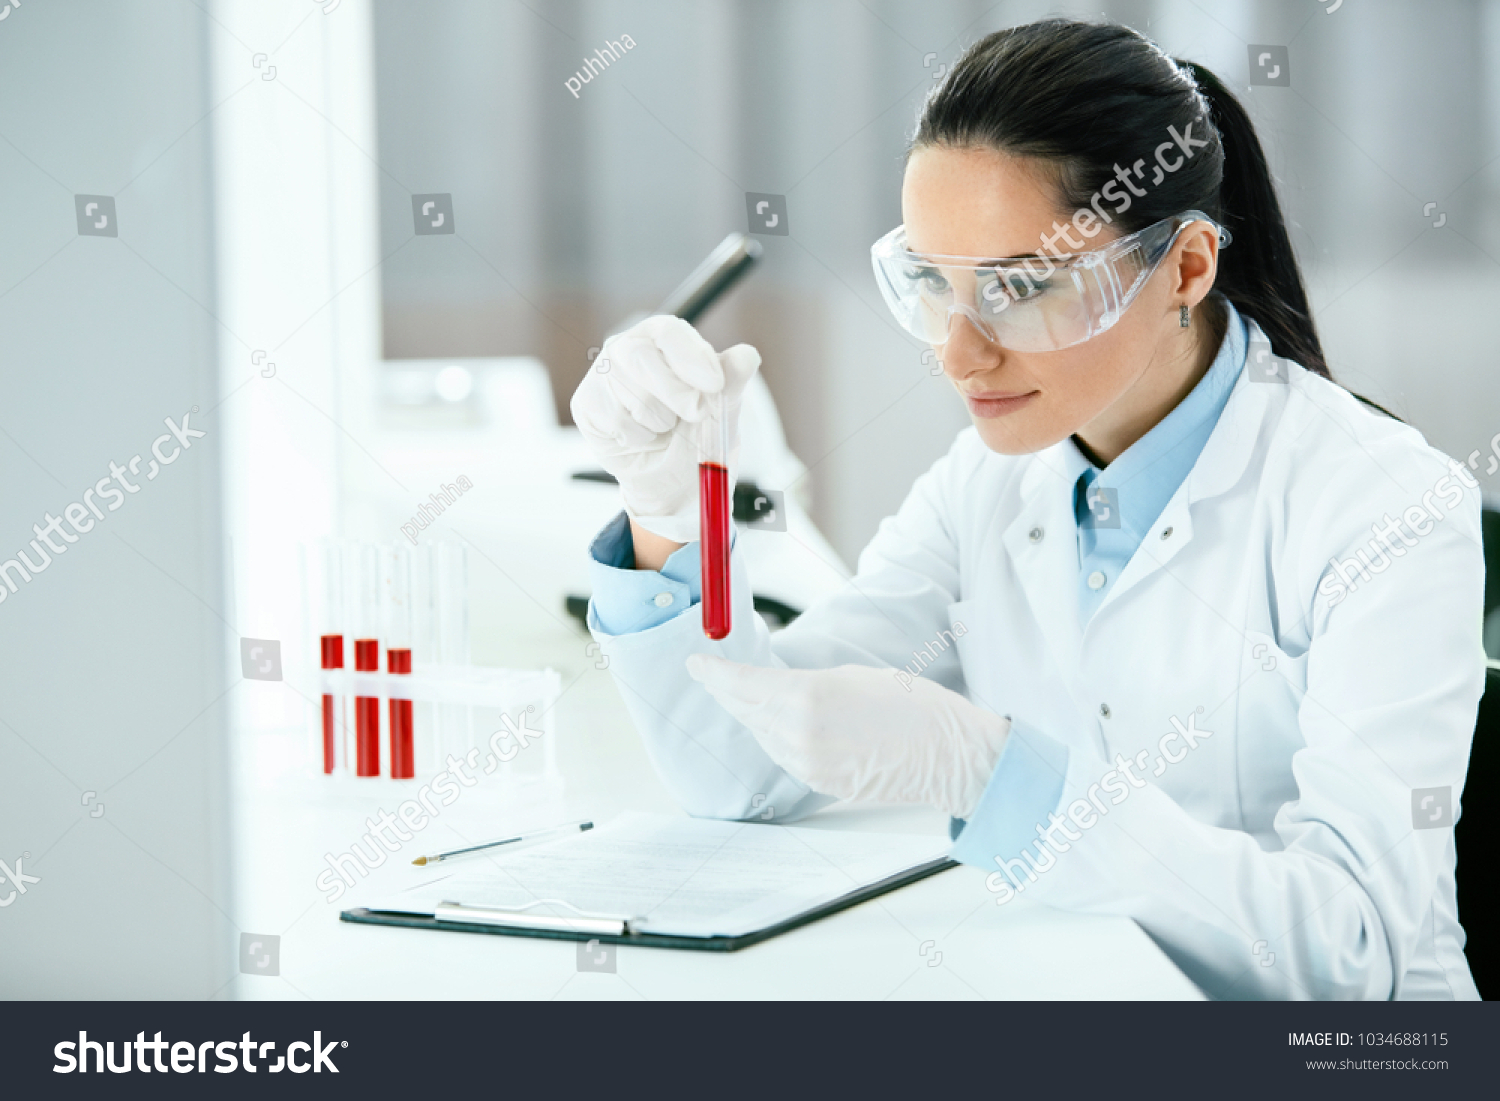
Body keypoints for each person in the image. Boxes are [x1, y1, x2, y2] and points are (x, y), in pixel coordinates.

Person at [569, 18, 1483, 1000]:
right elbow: (741, 774)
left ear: (1184, 268)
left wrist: (1000, 775)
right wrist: (665, 515)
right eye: (932, 285)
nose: (958, 355)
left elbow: (1356, 957)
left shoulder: (1384, 506)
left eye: (1021, 288)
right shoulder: (987, 484)